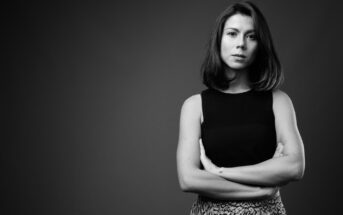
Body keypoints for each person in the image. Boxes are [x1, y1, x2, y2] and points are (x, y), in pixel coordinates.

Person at [176, 1, 305, 214]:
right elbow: (188, 179)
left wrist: (217, 171)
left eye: (251, 36)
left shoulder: (279, 101)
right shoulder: (194, 106)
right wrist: (257, 192)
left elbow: (295, 166)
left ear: (260, 45)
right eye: (232, 34)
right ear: (219, 40)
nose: (241, 44)